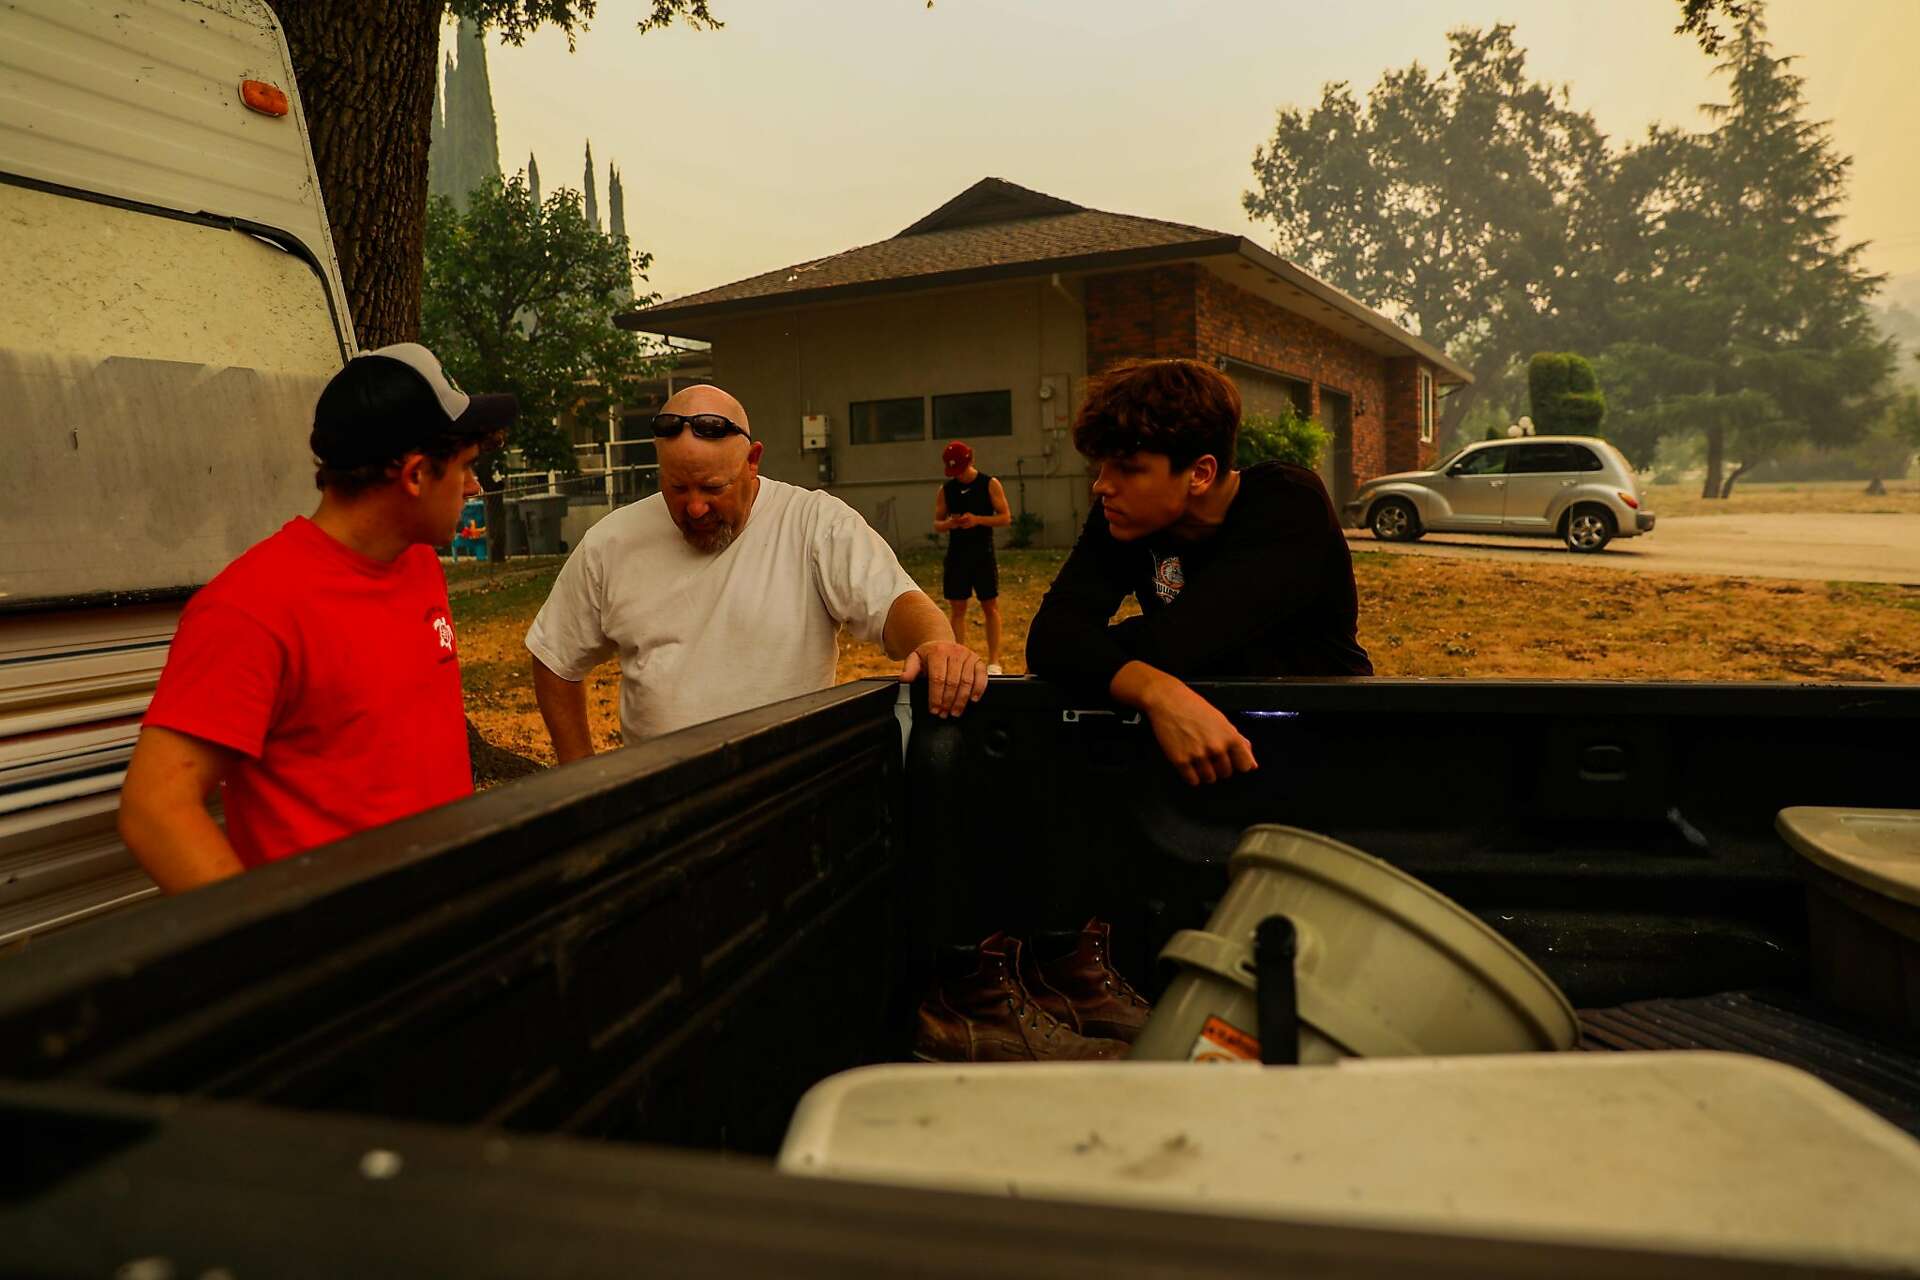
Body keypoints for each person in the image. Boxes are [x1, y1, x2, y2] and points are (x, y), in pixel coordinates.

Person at [118, 344, 515, 892]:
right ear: (417, 474)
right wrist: (272, 935)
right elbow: (154, 809)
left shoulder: (417, 562)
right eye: (467, 467)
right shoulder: (251, 607)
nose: (474, 487)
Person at [526, 384, 984, 761]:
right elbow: (555, 656)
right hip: (663, 803)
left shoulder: (813, 524)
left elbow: (896, 603)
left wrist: (934, 643)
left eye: (712, 487)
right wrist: (580, 773)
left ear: (752, 461)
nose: (695, 507)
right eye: (677, 487)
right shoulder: (612, 542)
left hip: (784, 793)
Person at [1026, 358, 1372, 787]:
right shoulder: (1123, 515)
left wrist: (1104, 655)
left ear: (1200, 473)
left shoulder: (1288, 504)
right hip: (1200, 750)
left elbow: (1178, 646)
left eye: (1128, 468)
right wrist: (1155, 690)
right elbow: (1050, 637)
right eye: (1102, 466)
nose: (1102, 485)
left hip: (1324, 743)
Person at [931, 440, 1011, 675]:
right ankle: (959, 657)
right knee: (957, 608)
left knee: (990, 606)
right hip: (957, 554)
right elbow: (937, 523)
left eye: (960, 469)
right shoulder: (946, 490)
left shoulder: (989, 484)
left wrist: (977, 520)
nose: (958, 475)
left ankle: (994, 660)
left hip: (983, 553)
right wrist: (951, 523)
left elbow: (1005, 517)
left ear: (970, 462)